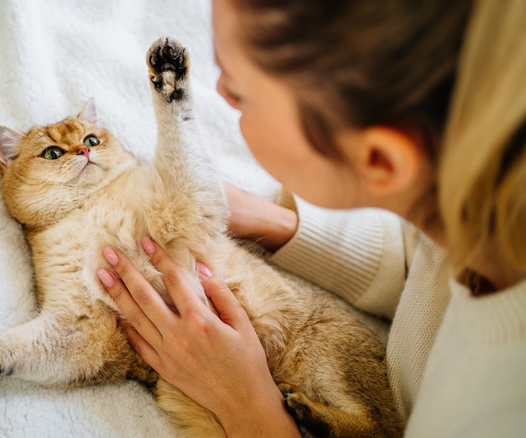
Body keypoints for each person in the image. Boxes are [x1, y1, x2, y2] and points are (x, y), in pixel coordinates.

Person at [96, 0, 526, 436]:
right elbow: (425, 269)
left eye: (242, 94)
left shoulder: (498, 412)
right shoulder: (477, 200)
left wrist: (250, 409)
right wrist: (278, 226)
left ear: (378, 159)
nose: (221, 91)